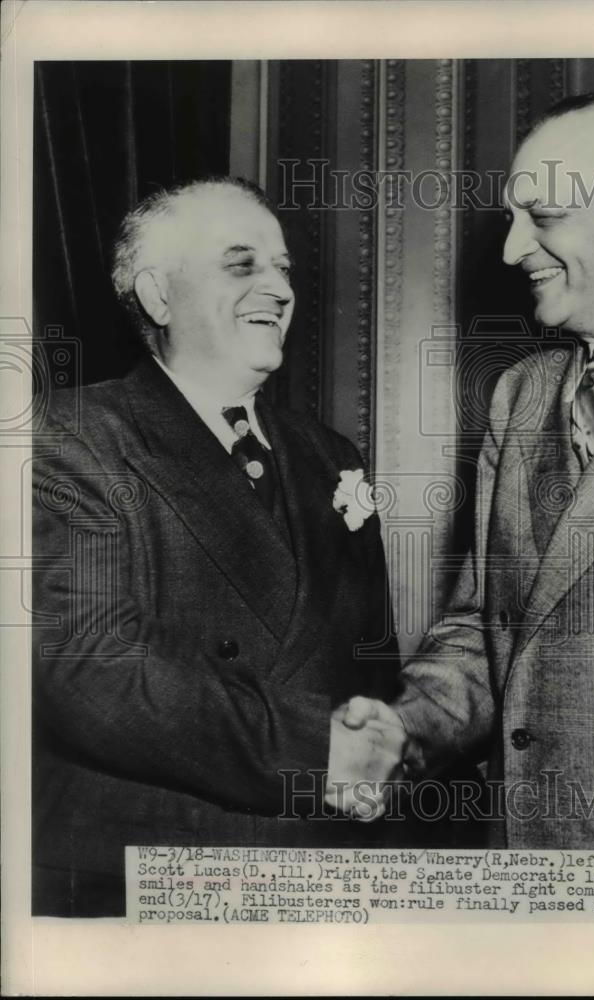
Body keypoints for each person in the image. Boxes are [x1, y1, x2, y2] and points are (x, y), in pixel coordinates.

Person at [343, 90, 594, 914]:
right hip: (536, 860)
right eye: (509, 218)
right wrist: (404, 727)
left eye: (544, 216)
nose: (509, 249)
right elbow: (484, 625)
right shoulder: (521, 395)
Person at [31, 177, 405, 917]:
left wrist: (380, 750)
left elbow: (370, 661)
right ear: (158, 297)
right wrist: (317, 752)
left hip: (327, 865)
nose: (278, 286)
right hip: (143, 877)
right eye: (242, 265)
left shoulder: (331, 455)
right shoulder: (68, 438)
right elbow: (90, 668)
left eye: (283, 268)